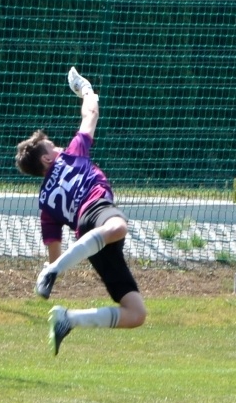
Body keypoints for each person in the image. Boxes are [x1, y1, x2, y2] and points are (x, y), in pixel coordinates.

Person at [14, 68, 146, 355]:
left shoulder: (45, 203)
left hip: (88, 235)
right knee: (118, 227)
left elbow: (54, 251)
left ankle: (68, 319)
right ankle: (54, 276)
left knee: (136, 313)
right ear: (48, 159)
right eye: (53, 145)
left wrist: (54, 268)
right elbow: (91, 115)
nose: (59, 146)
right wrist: (85, 90)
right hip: (97, 212)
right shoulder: (71, 154)